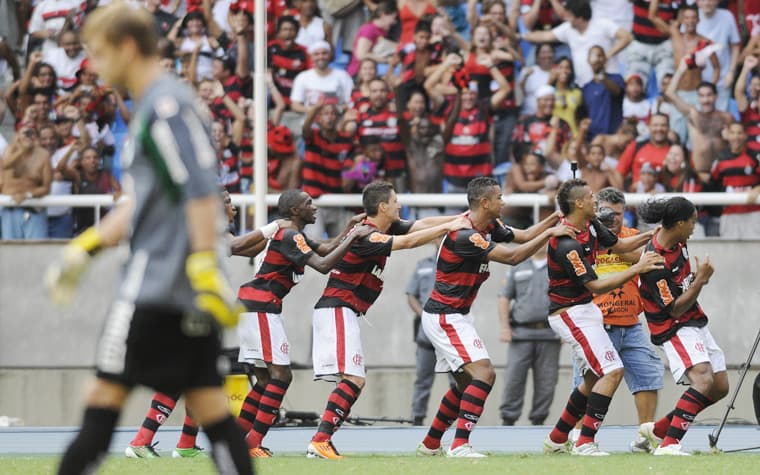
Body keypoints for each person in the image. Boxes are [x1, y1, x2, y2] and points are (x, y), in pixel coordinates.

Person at [44, 5, 252, 474]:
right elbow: (143, 201)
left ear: (127, 47)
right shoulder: (163, 104)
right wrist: (86, 247)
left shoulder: (163, 107)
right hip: (182, 294)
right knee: (213, 412)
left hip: (152, 291)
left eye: (98, 53)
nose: (93, 66)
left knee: (100, 405)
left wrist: (202, 268)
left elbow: (201, 194)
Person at [306, 181, 472, 459]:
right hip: (337, 308)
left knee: (354, 379)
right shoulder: (367, 236)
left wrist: (461, 218)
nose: (399, 205)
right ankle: (320, 440)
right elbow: (407, 242)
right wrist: (448, 228)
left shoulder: (383, 227)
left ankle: (321, 441)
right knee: (354, 379)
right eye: (395, 201)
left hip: (344, 310)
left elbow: (420, 225)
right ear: (383, 206)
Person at [415, 177, 574, 458]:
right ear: (485, 203)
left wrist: (554, 216)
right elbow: (513, 258)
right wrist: (551, 235)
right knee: (485, 374)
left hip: (456, 315)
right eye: (500, 197)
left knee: (467, 383)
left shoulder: (488, 225)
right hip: (445, 315)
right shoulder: (466, 235)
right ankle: (460, 445)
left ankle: (430, 444)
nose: (505, 201)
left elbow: (524, 236)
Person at [236, 190, 371, 457]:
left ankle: (239, 441)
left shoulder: (294, 235)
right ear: (295, 211)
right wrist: (354, 237)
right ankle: (252, 443)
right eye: (308, 203)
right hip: (261, 306)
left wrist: (348, 228)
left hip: (254, 305)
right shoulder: (290, 235)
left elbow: (327, 247)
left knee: (264, 379)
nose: (315, 207)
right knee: (281, 375)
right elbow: (322, 264)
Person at [542, 178, 663, 456]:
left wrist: (652, 234)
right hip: (569, 313)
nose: (595, 197)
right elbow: (595, 286)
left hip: (585, 310)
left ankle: (558, 438)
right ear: (579, 203)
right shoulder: (565, 243)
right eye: (591, 194)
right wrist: (638, 268)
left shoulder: (592, 226)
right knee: (613, 370)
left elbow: (620, 246)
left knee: (593, 377)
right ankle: (585, 442)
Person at [637, 196, 729, 455]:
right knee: (702, 378)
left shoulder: (678, 241)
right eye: (692, 222)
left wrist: (695, 281)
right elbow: (674, 308)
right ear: (679, 223)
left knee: (720, 386)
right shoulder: (655, 261)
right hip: (672, 325)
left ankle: (656, 432)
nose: (694, 227)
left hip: (692, 317)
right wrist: (700, 280)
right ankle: (669, 444)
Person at [591, 187, 665, 453]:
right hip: (596, 325)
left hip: (630, 323)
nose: (614, 218)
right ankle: (579, 437)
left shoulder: (632, 237)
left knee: (648, 375)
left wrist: (613, 244)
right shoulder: (584, 240)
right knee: (587, 381)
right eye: (607, 213)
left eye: (619, 214)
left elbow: (649, 259)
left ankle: (645, 437)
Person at [497, 245, 560, 427]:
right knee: (513, 379)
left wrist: (567, 330)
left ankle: (538, 421)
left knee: (547, 382)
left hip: (550, 333)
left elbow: (567, 296)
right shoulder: (518, 266)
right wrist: (504, 327)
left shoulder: (557, 265)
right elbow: (504, 297)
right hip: (520, 333)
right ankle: (508, 420)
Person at [521, 0, 632, 87]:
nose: (566, 19)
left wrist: (607, 56)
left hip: (607, 80)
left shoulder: (602, 24)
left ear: (579, 18)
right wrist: (521, 36)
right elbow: (545, 36)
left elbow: (626, 37)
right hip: (584, 84)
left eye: (569, 16)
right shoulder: (568, 29)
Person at [406, 237, 455, 426]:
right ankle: (417, 419)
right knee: (423, 380)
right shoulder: (422, 265)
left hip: (449, 332)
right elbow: (411, 295)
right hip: (426, 336)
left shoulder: (458, 262)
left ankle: (455, 419)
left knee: (457, 381)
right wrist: (425, 317)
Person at [665, 58, 734, 175]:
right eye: (701, 96)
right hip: (699, 173)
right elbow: (670, 93)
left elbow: (739, 141)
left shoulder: (726, 117)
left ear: (716, 96)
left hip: (723, 172)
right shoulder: (693, 114)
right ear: (697, 98)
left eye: (709, 95)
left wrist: (730, 138)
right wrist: (681, 70)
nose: (705, 100)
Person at [0, 125, 52, 240]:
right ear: (17, 136)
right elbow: (5, 166)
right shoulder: (9, 150)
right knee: (11, 252)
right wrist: (21, 151)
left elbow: (46, 188)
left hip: (34, 209)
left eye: (31, 133)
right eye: (25, 133)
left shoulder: (43, 155)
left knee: (36, 252)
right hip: (10, 209)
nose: (28, 137)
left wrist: (27, 195)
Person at [710, 122, 760, 239]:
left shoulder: (755, 156)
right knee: (729, 253)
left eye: (739, 133)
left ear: (745, 135)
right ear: (728, 135)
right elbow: (712, 184)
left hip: (754, 212)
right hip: (729, 214)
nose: (736, 137)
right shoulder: (720, 158)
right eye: (733, 133)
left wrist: (758, 188)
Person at [581, 45, 625, 141]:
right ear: (588, 60)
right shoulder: (585, 88)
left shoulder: (616, 78)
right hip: (593, 139)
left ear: (605, 59)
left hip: (613, 137)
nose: (597, 59)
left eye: (600, 56)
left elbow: (616, 91)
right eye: (594, 55)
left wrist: (601, 75)